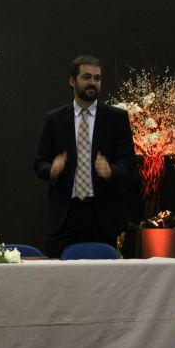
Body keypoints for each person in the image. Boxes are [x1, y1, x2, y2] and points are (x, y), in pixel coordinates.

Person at [34, 55, 136, 258]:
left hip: (103, 216)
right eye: (86, 77)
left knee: (103, 275)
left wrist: (111, 170)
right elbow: (39, 163)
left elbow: (129, 161)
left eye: (97, 78)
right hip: (64, 216)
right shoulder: (54, 119)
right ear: (72, 81)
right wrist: (51, 170)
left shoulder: (116, 118)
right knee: (60, 274)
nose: (92, 82)